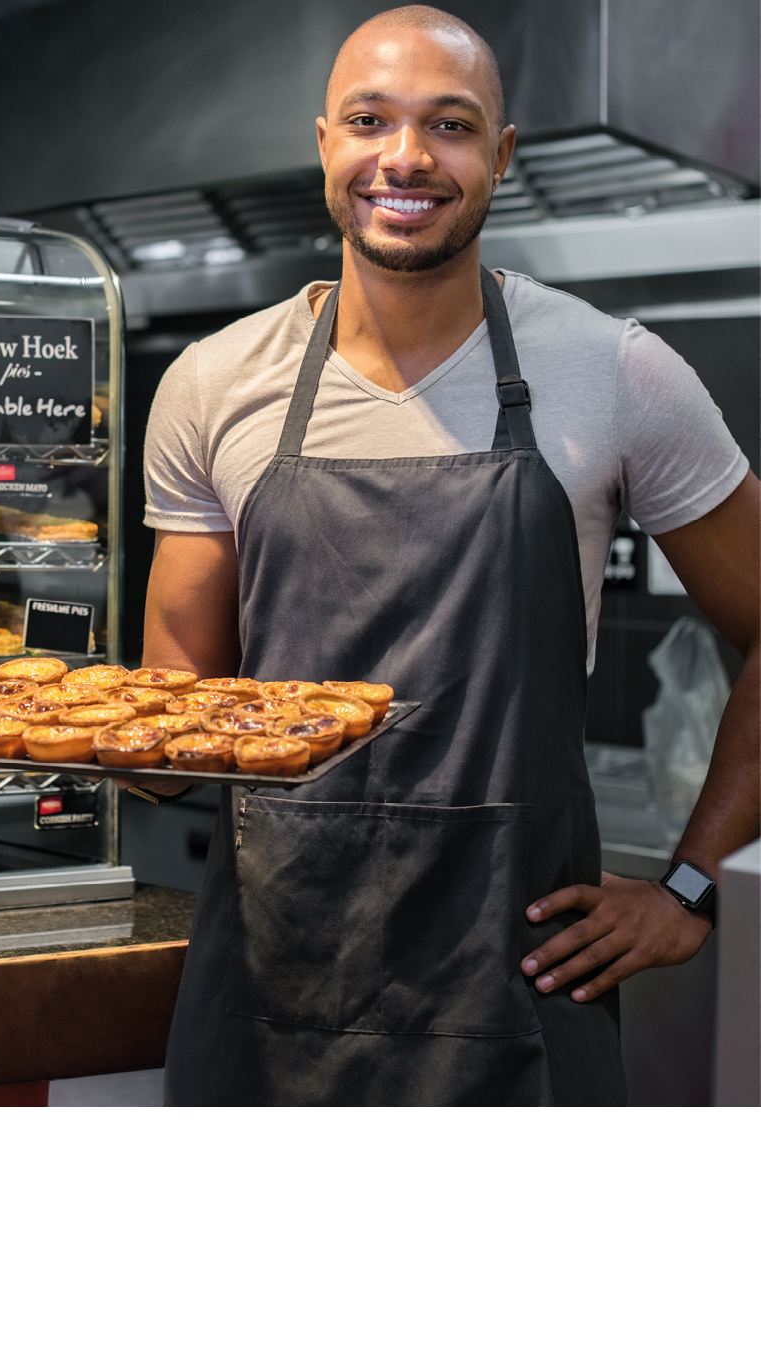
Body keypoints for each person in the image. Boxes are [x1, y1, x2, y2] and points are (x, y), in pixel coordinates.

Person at [139, 5, 759, 1105]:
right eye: (371, 119)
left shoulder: (617, 373)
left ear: (503, 155)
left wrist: (690, 885)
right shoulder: (213, 384)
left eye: (452, 125)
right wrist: (93, 743)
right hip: (265, 988)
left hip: (514, 991)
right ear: (325, 143)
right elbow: (175, 711)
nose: (408, 158)